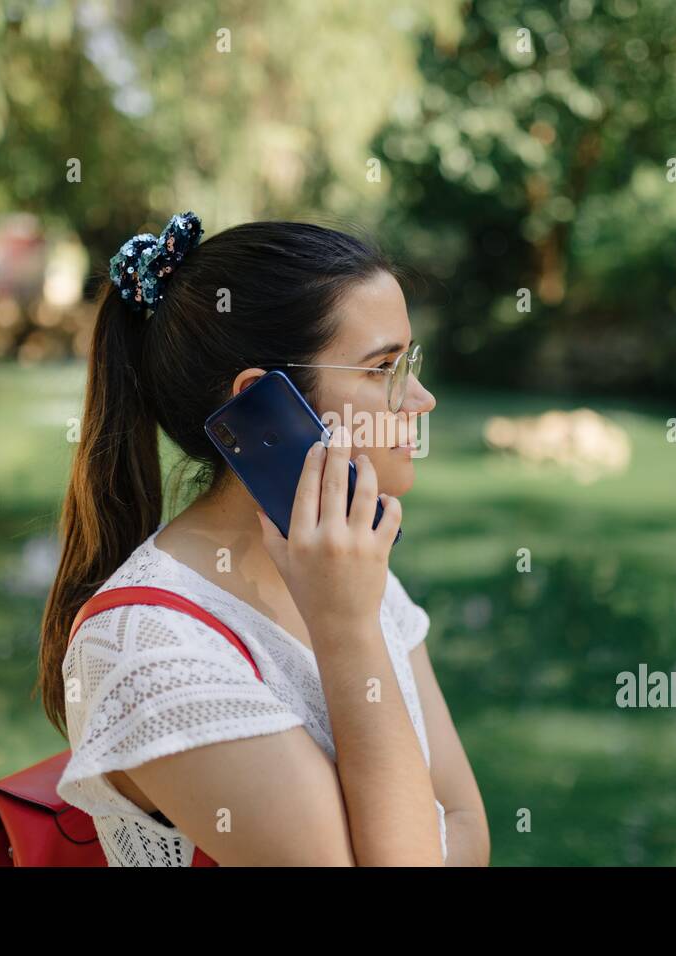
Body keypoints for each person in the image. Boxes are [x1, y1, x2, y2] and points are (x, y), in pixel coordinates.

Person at [36, 212, 489, 866]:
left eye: (408, 361)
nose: (421, 399)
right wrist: (345, 630)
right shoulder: (148, 647)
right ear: (263, 406)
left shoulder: (352, 572)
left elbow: (469, 826)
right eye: (383, 367)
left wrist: (349, 612)